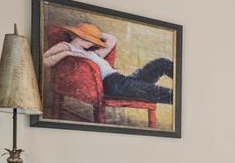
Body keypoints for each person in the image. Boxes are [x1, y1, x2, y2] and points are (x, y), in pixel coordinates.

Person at [42, 22, 174, 104]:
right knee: (166, 94)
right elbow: (44, 61)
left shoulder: (94, 53)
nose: (94, 42)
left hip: (121, 80)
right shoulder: (66, 46)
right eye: (91, 39)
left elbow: (112, 39)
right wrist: (67, 53)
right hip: (110, 84)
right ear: (79, 36)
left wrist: (93, 34)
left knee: (161, 63)